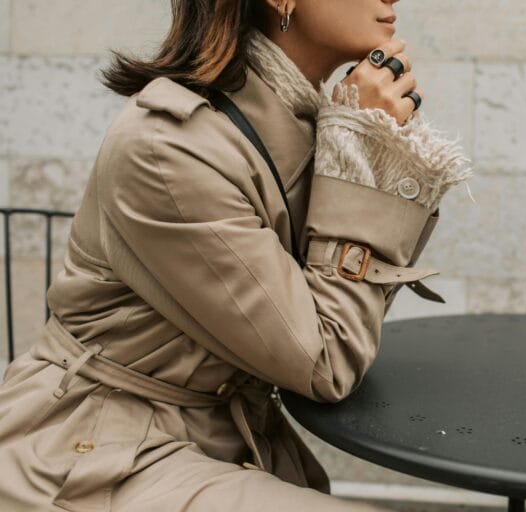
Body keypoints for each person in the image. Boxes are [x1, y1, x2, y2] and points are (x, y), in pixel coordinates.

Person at [0, 0, 473, 510]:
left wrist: (359, 143)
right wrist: (362, 155)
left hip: (216, 434)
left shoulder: (312, 122)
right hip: (94, 446)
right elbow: (327, 360)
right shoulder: (170, 148)